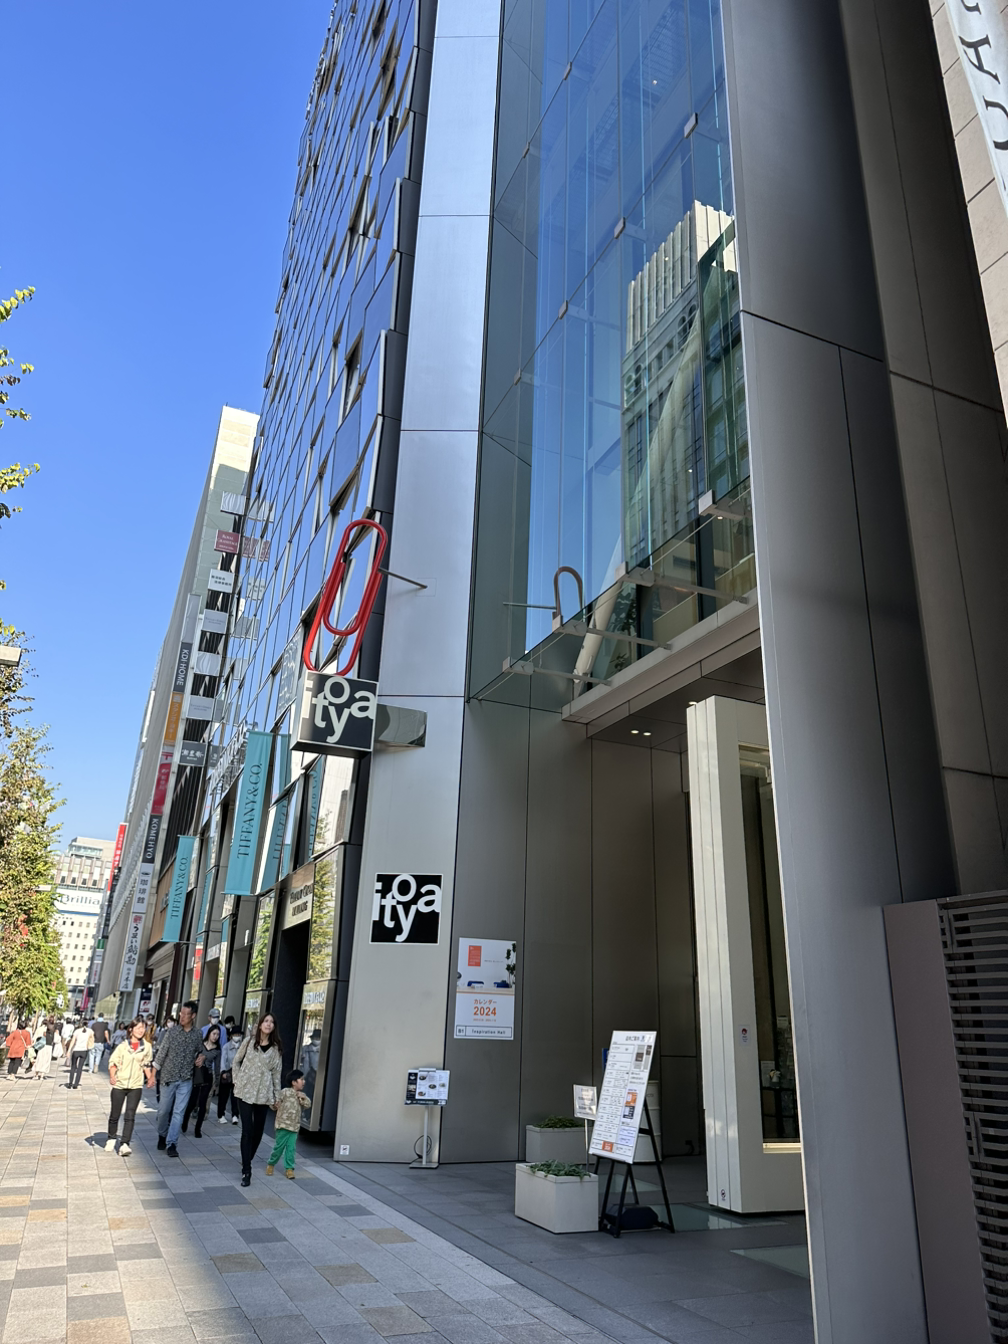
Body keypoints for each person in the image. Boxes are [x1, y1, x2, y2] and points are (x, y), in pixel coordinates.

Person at [232, 1014, 282, 1187]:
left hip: (264, 1093)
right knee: (247, 1130)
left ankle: (248, 1157)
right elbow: (236, 1061)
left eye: (272, 1022)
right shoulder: (248, 1042)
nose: (269, 1024)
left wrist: (277, 1096)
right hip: (245, 1091)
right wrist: (237, 1080)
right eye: (266, 1021)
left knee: (258, 1130)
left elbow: (276, 1074)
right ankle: (247, 1170)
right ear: (260, 1024)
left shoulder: (275, 1049)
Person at [151, 1001, 205, 1157]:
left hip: (186, 1079)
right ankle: (162, 1134)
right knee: (163, 1111)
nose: (182, 1017)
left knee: (178, 1113)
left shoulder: (197, 1034)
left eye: (186, 1014)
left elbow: (200, 1051)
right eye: (181, 1013)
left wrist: (201, 1057)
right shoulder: (172, 1032)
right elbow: (161, 1054)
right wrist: (153, 1075)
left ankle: (172, 1143)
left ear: (193, 1016)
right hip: (168, 1078)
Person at [105, 1017, 153, 1156]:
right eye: (138, 1028)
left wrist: (150, 1078)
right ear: (131, 1029)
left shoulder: (147, 1047)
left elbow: (146, 1064)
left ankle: (124, 1143)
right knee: (115, 1114)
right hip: (120, 1084)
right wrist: (113, 1076)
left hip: (135, 1085)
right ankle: (111, 1137)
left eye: (143, 1028)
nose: (141, 1031)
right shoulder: (122, 1046)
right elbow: (113, 1062)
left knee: (130, 1115)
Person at [265, 1069, 311, 1179]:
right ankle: (271, 1163)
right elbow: (275, 1103)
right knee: (279, 1147)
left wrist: (303, 1098)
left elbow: (308, 1104)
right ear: (294, 1082)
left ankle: (289, 1168)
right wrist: (275, 1104)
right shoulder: (285, 1092)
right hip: (282, 1125)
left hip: (294, 1127)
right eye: (301, 1079)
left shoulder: (301, 1095)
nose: (303, 1082)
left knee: (291, 1149)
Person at [182, 1023, 221, 1138]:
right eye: (214, 1034)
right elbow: (191, 1056)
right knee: (192, 1101)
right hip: (197, 1075)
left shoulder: (217, 1050)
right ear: (209, 1033)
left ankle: (198, 1129)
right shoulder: (200, 1045)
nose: (215, 1036)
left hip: (207, 1076)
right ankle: (184, 1121)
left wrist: (217, 1083)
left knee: (203, 1103)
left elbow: (217, 1067)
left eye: (218, 1035)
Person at [217, 1026, 241, 1125]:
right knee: (223, 1096)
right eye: (235, 1035)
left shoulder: (242, 1047)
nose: (237, 1036)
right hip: (227, 1073)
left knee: (236, 1096)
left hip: (238, 1074)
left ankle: (235, 1115)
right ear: (231, 1036)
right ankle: (221, 1115)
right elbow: (223, 1060)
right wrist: (223, 1072)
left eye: (238, 1035)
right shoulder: (226, 1046)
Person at [66, 1020, 94, 1088]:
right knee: (80, 1068)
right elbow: (92, 1039)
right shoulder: (90, 1031)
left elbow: (73, 1041)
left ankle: (70, 1083)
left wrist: (69, 1051)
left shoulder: (77, 1031)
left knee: (73, 1067)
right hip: (84, 1051)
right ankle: (76, 1084)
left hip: (76, 1050)